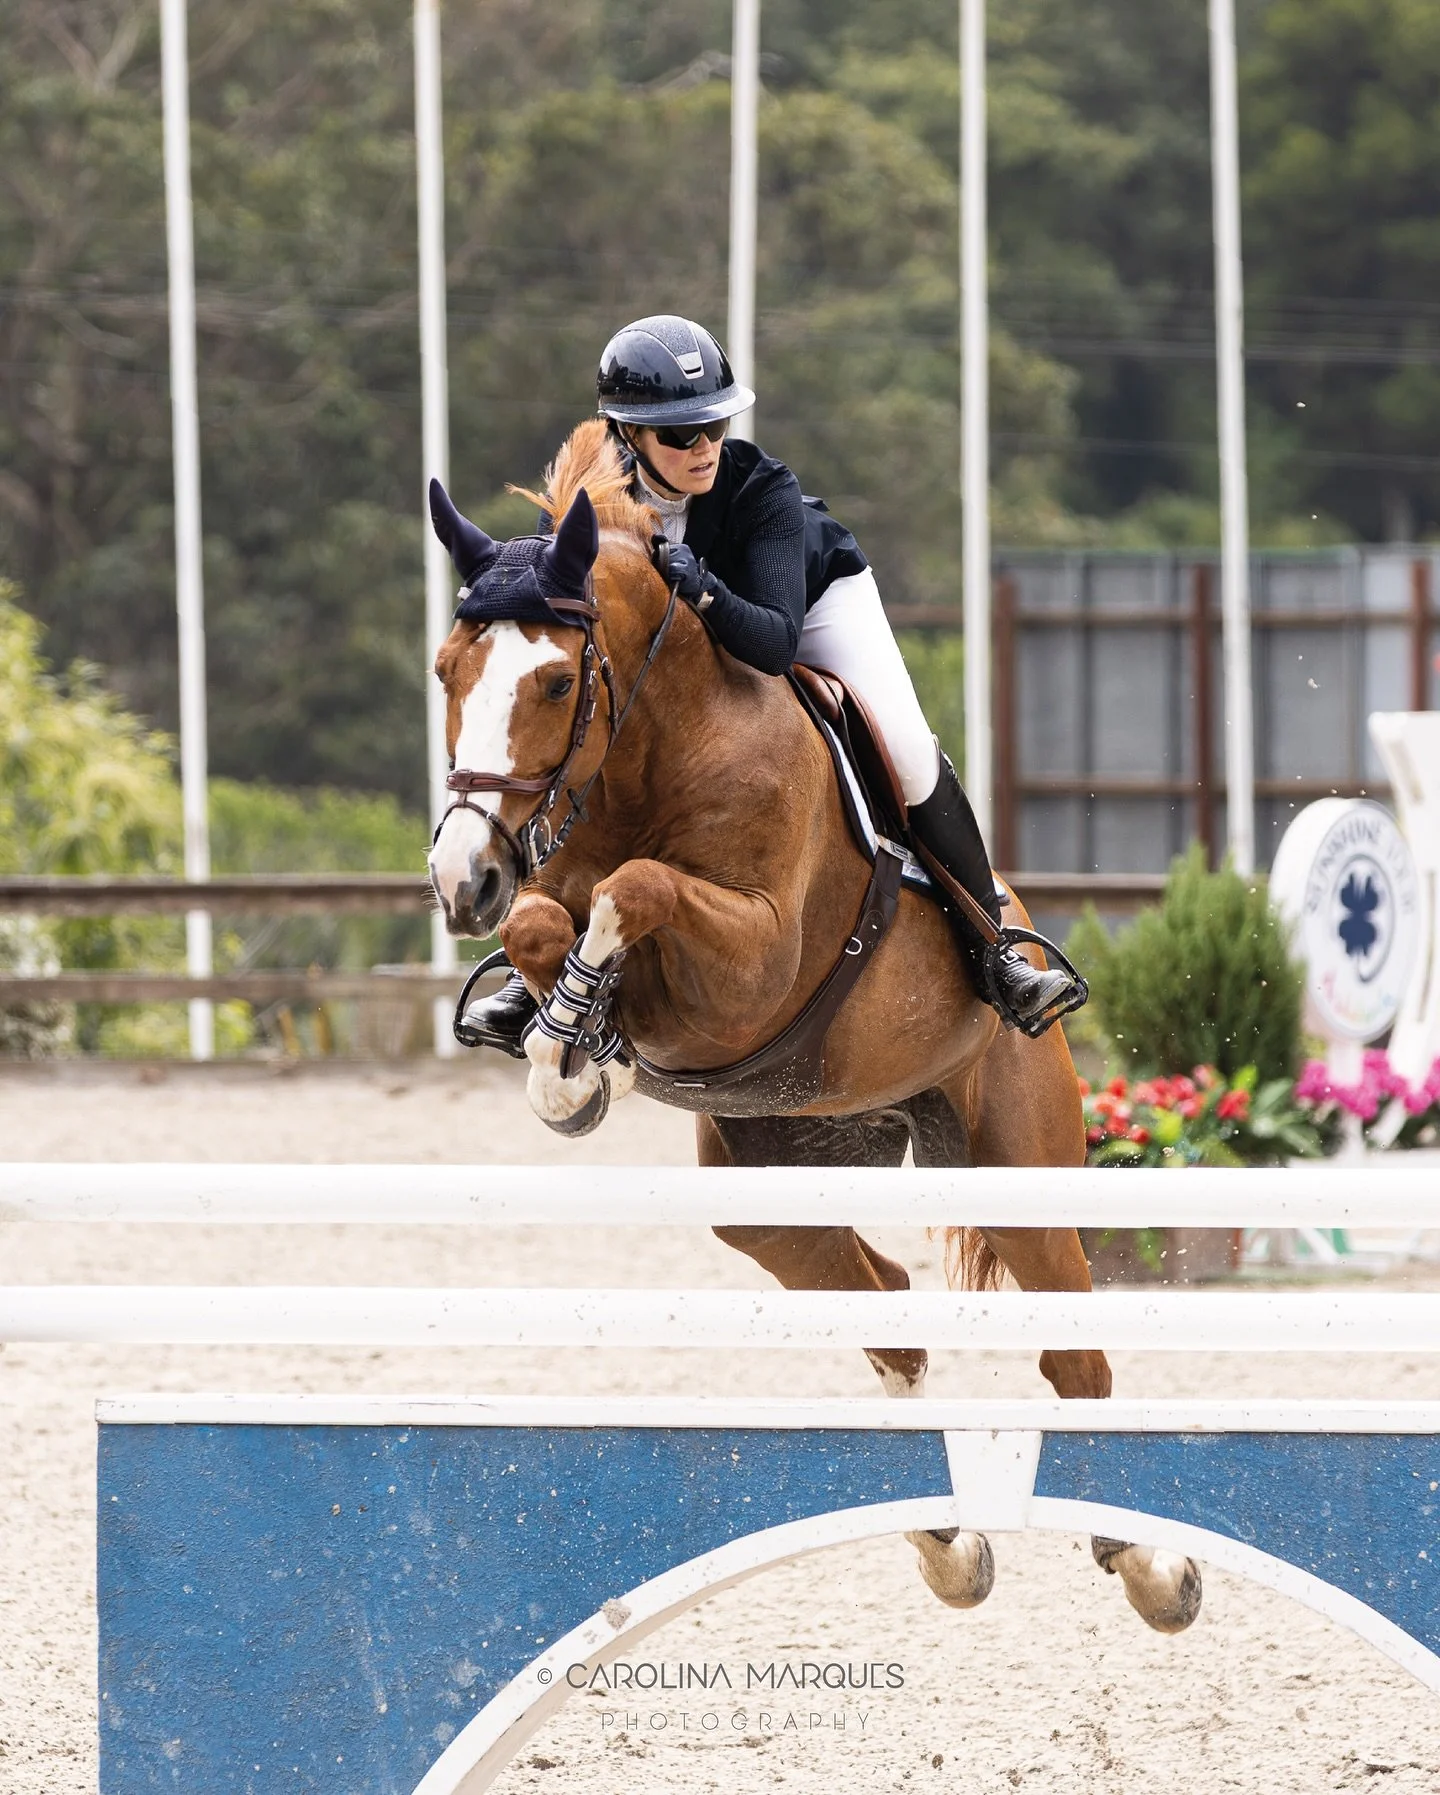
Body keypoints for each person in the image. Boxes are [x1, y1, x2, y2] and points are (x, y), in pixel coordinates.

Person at [468, 313, 1083, 1052]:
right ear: (627, 435)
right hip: (680, 655)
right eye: (680, 435)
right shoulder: (593, 497)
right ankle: (526, 963)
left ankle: (997, 945)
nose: (703, 448)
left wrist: (703, 593)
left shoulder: (763, 493)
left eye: (714, 426)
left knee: (906, 746)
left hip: (807, 606)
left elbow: (771, 644)